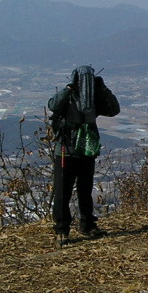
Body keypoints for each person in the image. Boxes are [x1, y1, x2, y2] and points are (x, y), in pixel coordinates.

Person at [48, 64, 121, 242]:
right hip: (66, 150)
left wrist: (102, 89)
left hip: (85, 150)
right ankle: (62, 229)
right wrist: (69, 89)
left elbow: (113, 110)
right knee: (63, 192)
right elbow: (53, 106)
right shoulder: (68, 96)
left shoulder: (94, 97)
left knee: (84, 190)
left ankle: (85, 225)